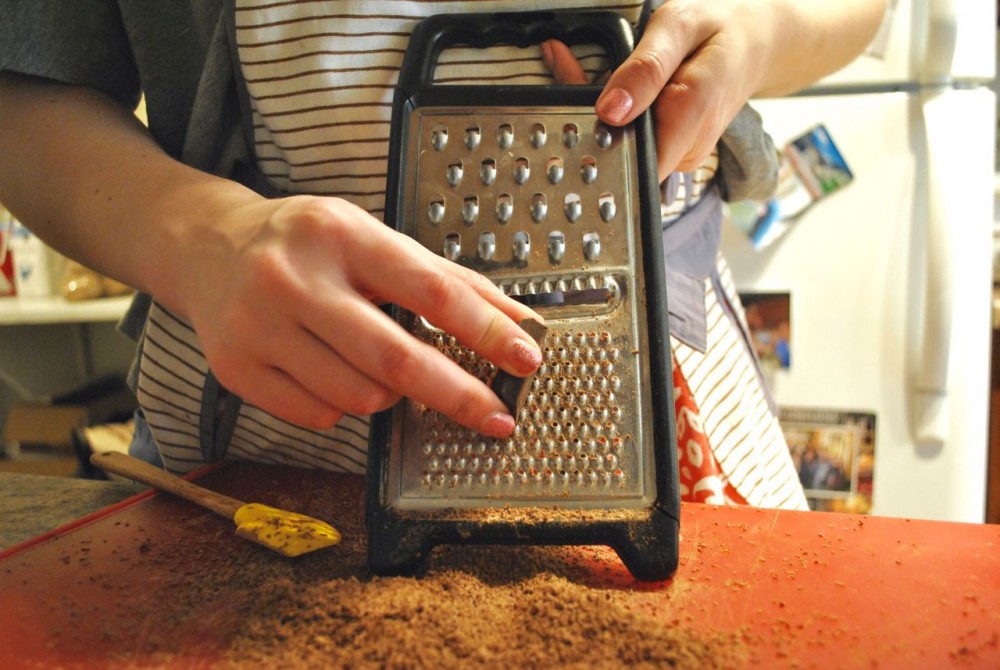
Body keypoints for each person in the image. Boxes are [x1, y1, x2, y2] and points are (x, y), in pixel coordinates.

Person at [0, 0, 886, 508]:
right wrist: (199, 236)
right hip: (274, 437)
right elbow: (24, 88)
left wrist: (762, 26)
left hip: (647, 384)